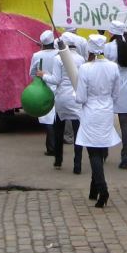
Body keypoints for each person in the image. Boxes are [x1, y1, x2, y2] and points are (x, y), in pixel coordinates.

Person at [74, 34, 121, 208]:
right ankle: (94, 189)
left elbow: (80, 97)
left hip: (91, 111)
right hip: (106, 110)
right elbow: (116, 93)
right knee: (100, 149)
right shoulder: (113, 67)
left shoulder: (85, 68)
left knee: (93, 151)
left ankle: (102, 189)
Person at [43, 33, 85, 173]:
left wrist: (43, 75)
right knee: (78, 133)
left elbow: (56, 80)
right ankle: (77, 164)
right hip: (76, 98)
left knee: (58, 131)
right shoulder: (81, 59)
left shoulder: (58, 58)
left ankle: (58, 160)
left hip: (62, 98)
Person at [103, 21, 127, 168]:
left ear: (111, 32)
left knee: (105, 121)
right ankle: (125, 155)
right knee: (125, 123)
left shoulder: (108, 47)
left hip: (110, 84)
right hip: (125, 84)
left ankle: (103, 153)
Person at [28, 30, 59, 157]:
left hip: (44, 89)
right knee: (56, 118)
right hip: (59, 88)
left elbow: (31, 73)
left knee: (48, 119)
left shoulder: (37, 55)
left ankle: (52, 147)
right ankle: (55, 145)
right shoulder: (59, 53)